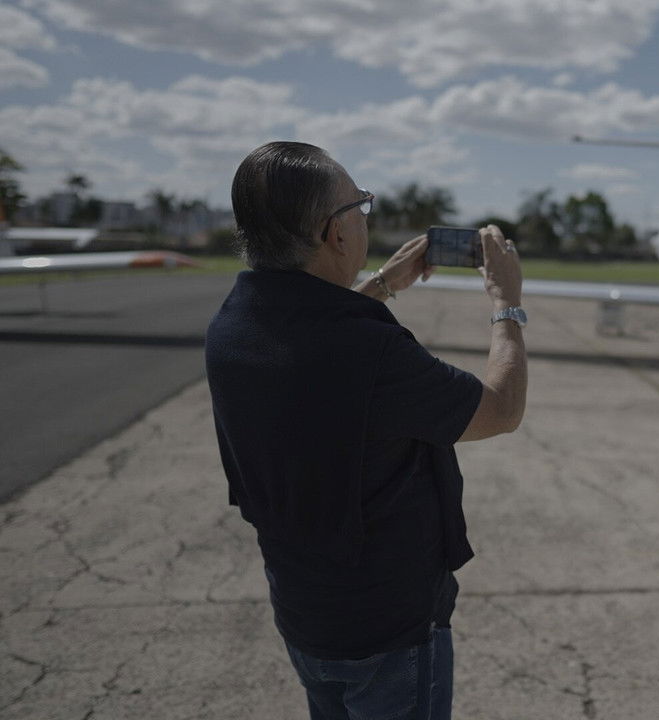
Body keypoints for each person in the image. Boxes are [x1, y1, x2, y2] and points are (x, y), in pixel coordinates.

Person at [205, 141, 527, 720]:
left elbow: (312, 338)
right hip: (386, 627)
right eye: (360, 205)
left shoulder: (234, 325)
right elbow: (500, 410)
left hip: (306, 610)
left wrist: (383, 282)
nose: (363, 218)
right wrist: (507, 305)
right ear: (335, 234)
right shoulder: (370, 351)